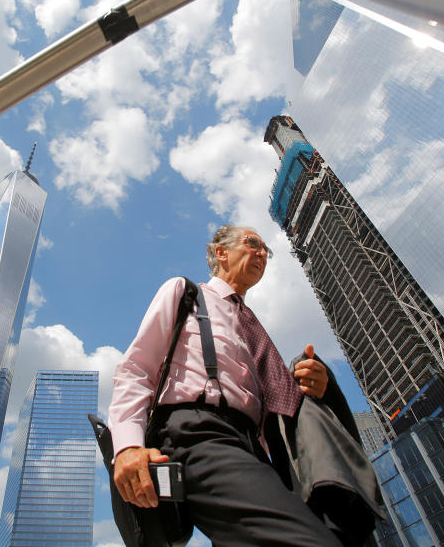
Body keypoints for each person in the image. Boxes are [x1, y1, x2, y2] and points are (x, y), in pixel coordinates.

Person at [108, 225, 342, 546]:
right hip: (199, 435)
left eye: (266, 251)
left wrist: (312, 387)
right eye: (253, 244)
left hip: (254, 453)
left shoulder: (249, 326)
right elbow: (137, 368)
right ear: (221, 253)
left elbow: (274, 404)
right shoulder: (186, 294)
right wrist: (127, 446)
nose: (262, 253)